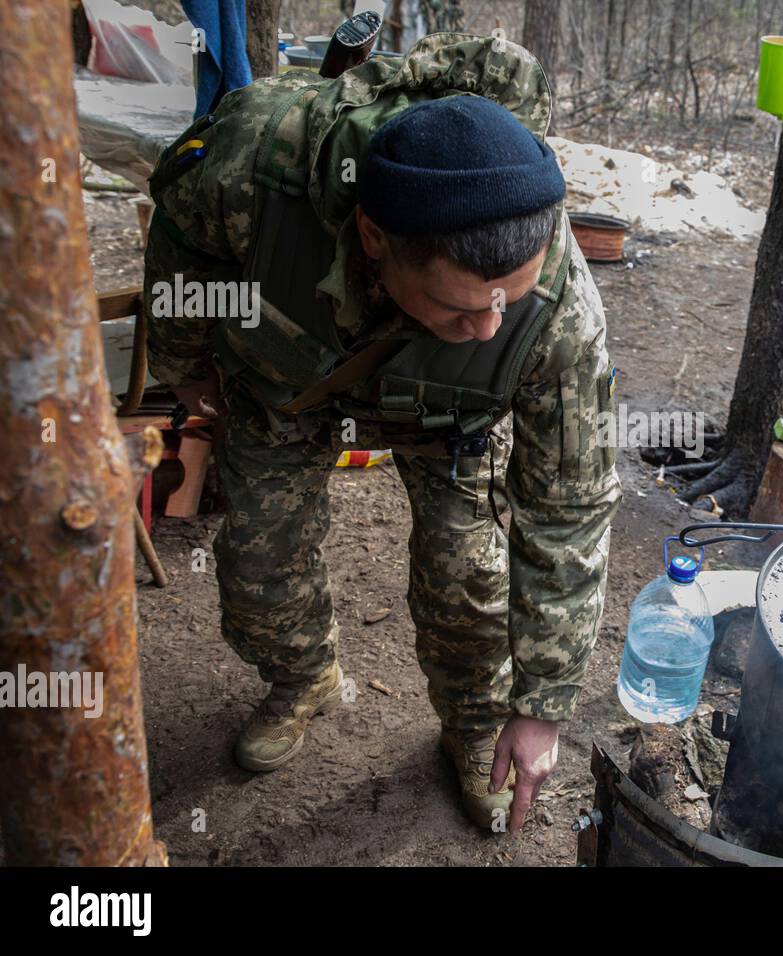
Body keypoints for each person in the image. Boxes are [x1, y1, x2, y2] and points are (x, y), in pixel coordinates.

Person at [143, 34, 621, 833]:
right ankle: (304, 678)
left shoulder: (563, 317)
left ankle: (474, 726)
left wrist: (541, 706)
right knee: (257, 564)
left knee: (469, 577)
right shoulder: (256, 161)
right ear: (374, 240)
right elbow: (180, 239)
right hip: (285, 380)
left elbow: (568, 510)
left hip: (451, 420)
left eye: (510, 302)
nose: (487, 328)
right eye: (460, 308)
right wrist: (189, 359)